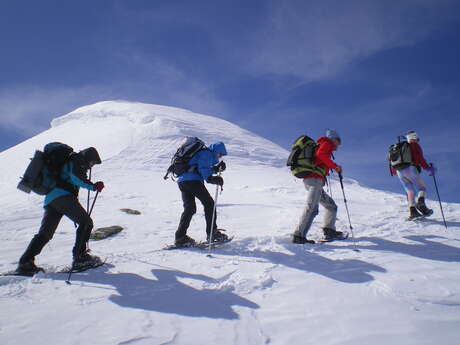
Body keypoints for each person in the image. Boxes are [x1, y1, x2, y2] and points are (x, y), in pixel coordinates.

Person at [16, 147, 105, 275]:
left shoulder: (71, 161)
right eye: (92, 162)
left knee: (45, 233)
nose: (92, 166)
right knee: (86, 222)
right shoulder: (77, 160)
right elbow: (75, 177)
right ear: (88, 157)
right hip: (63, 197)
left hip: (51, 200)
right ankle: (80, 257)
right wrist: (93, 186)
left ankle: (25, 262)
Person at [292, 129, 345, 243]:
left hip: (315, 181)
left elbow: (319, 158)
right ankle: (298, 235)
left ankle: (329, 231)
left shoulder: (325, 145)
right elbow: (320, 154)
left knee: (331, 206)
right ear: (333, 139)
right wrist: (335, 166)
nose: (339, 144)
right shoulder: (326, 143)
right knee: (312, 208)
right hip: (314, 180)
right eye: (338, 140)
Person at [175, 141, 229, 247]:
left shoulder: (202, 154)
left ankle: (180, 237)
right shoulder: (207, 153)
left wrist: (215, 169)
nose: (220, 156)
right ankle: (212, 234)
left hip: (183, 181)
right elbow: (203, 170)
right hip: (193, 181)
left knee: (190, 208)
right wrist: (212, 179)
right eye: (220, 154)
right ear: (216, 151)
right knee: (209, 204)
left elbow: (199, 168)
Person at [394, 131, 436, 220]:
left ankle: (413, 212)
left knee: (410, 191)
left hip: (399, 172)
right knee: (422, 187)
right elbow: (420, 158)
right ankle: (421, 204)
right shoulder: (414, 145)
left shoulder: (399, 147)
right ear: (415, 137)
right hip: (410, 168)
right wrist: (428, 168)